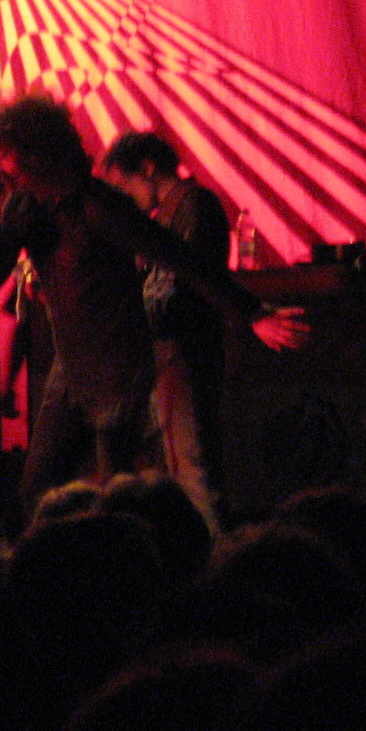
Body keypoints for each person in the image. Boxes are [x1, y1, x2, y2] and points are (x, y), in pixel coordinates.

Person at [0, 95, 302, 514]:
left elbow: (180, 258)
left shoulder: (97, 205)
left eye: (7, 157)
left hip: (118, 370)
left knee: (116, 498)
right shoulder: (26, 209)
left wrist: (252, 312)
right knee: (35, 492)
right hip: (70, 368)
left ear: (39, 154)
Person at [100, 130, 233, 525]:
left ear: (147, 168)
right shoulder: (173, 213)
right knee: (181, 466)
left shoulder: (195, 205)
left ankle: (212, 549)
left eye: (124, 184)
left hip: (184, 351)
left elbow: (181, 286)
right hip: (174, 353)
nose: (125, 197)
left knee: (192, 468)